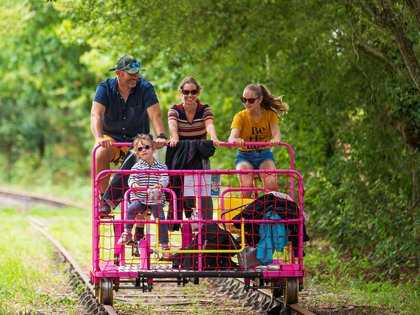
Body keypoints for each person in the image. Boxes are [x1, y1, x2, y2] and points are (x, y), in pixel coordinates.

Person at [90, 55, 167, 216]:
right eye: (131, 73)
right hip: (112, 139)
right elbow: (96, 115)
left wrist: (160, 135)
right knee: (99, 153)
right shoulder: (105, 88)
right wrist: (99, 137)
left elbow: (155, 115)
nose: (135, 77)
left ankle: (110, 200)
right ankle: (104, 200)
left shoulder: (145, 87)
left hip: (137, 139)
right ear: (118, 73)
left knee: (139, 151)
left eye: (137, 73)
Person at [166, 76, 219, 227]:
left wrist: (214, 138)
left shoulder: (204, 109)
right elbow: (172, 125)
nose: (190, 95)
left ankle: (207, 224)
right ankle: (187, 220)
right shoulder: (175, 110)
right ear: (180, 92)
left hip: (200, 154)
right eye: (186, 92)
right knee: (182, 188)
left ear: (198, 93)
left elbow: (209, 124)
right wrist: (174, 136)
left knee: (205, 190)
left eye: (193, 92)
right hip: (181, 154)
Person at [228, 84, 288, 197]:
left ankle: (269, 211)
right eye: (243, 100)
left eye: (250, 100)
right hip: (244, 155)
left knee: (271, 183)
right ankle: (246, 213)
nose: (246, 103)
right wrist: (236, 140)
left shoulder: (270, 115)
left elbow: (277, 135)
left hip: (264, 155)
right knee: (246, 186)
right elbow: (231, 138)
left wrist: (275, 140)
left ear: (259, 100)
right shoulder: (240, 117)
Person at [118, 134, 170, 258]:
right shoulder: (136, 167)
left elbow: (165, 177)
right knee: (131, 209)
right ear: (137, 153)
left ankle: (164, 245)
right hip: (140, 198)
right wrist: (134, 184)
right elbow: (132, 179)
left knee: (161, 218)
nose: (144, 150)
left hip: (155, 198)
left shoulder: (161, 166)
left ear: (153, 148)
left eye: (146, 147)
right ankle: (127, 232)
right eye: (140, 149)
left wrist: (160, 185)